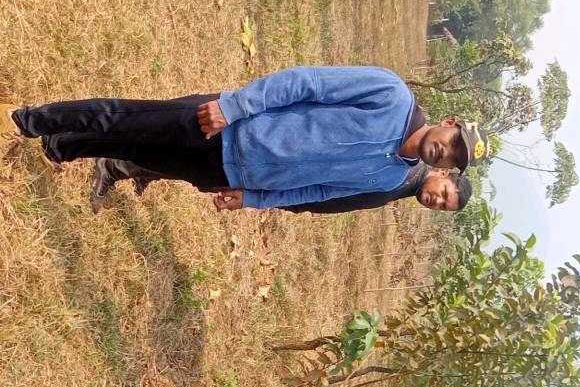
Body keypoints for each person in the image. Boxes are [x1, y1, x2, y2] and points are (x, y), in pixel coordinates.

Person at [1, 66, 488, 211]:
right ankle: (27, 121)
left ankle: (59, 147)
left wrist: (253, 197)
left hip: (230, 171)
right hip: (228, 126)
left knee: (132, 149)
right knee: (124, 119)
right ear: (449, 122)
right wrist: (234, 106)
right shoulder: (391, 94)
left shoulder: (388, 178)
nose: (446, 150)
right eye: (453, 140)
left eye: (454, 157)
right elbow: (305, 83)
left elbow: (319, 192)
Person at [87, 157, 474, 214]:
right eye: (444, 194)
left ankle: (145, 171)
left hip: (288, 189)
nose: (437, 201)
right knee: (207, 171)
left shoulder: (406, 186)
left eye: (443, 206)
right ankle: (115, 166)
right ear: (443, 174)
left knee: (206, 176)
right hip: (283, 174)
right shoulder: (404, 169)